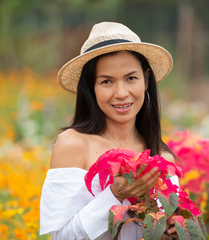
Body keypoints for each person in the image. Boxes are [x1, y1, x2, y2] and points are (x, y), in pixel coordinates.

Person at [40, 21, 179, 240]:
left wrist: (171, 232)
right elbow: (62, 237)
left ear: (146, 80)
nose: (121, 93)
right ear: (91, 88)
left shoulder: (162, 157)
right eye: (106, 81)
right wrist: (115, 195)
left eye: (131, 78)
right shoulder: (73, 144)